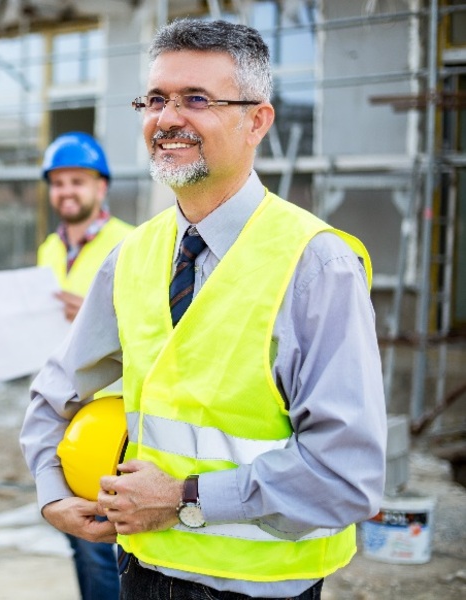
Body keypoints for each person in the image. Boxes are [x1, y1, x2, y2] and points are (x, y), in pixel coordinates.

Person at [20, 18, 387, 600]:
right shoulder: (132, 257)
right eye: (156, 99)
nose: (168, 119)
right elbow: (52, 395)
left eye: (197, 99)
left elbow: (347, 477)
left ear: (257, 120)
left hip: (261, 590)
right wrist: (52, 491)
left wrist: (185, 499)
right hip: (140, 576)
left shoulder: (317, 266)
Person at [37, 131, 134, 600]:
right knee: (77, 534)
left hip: (110, 421)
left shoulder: (131, 245)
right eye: (58, 182)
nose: (66, 191)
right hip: (63, 410)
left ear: (102, 187)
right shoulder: (49, 251)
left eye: (78, 180)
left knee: (104, 543)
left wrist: (94, 318)